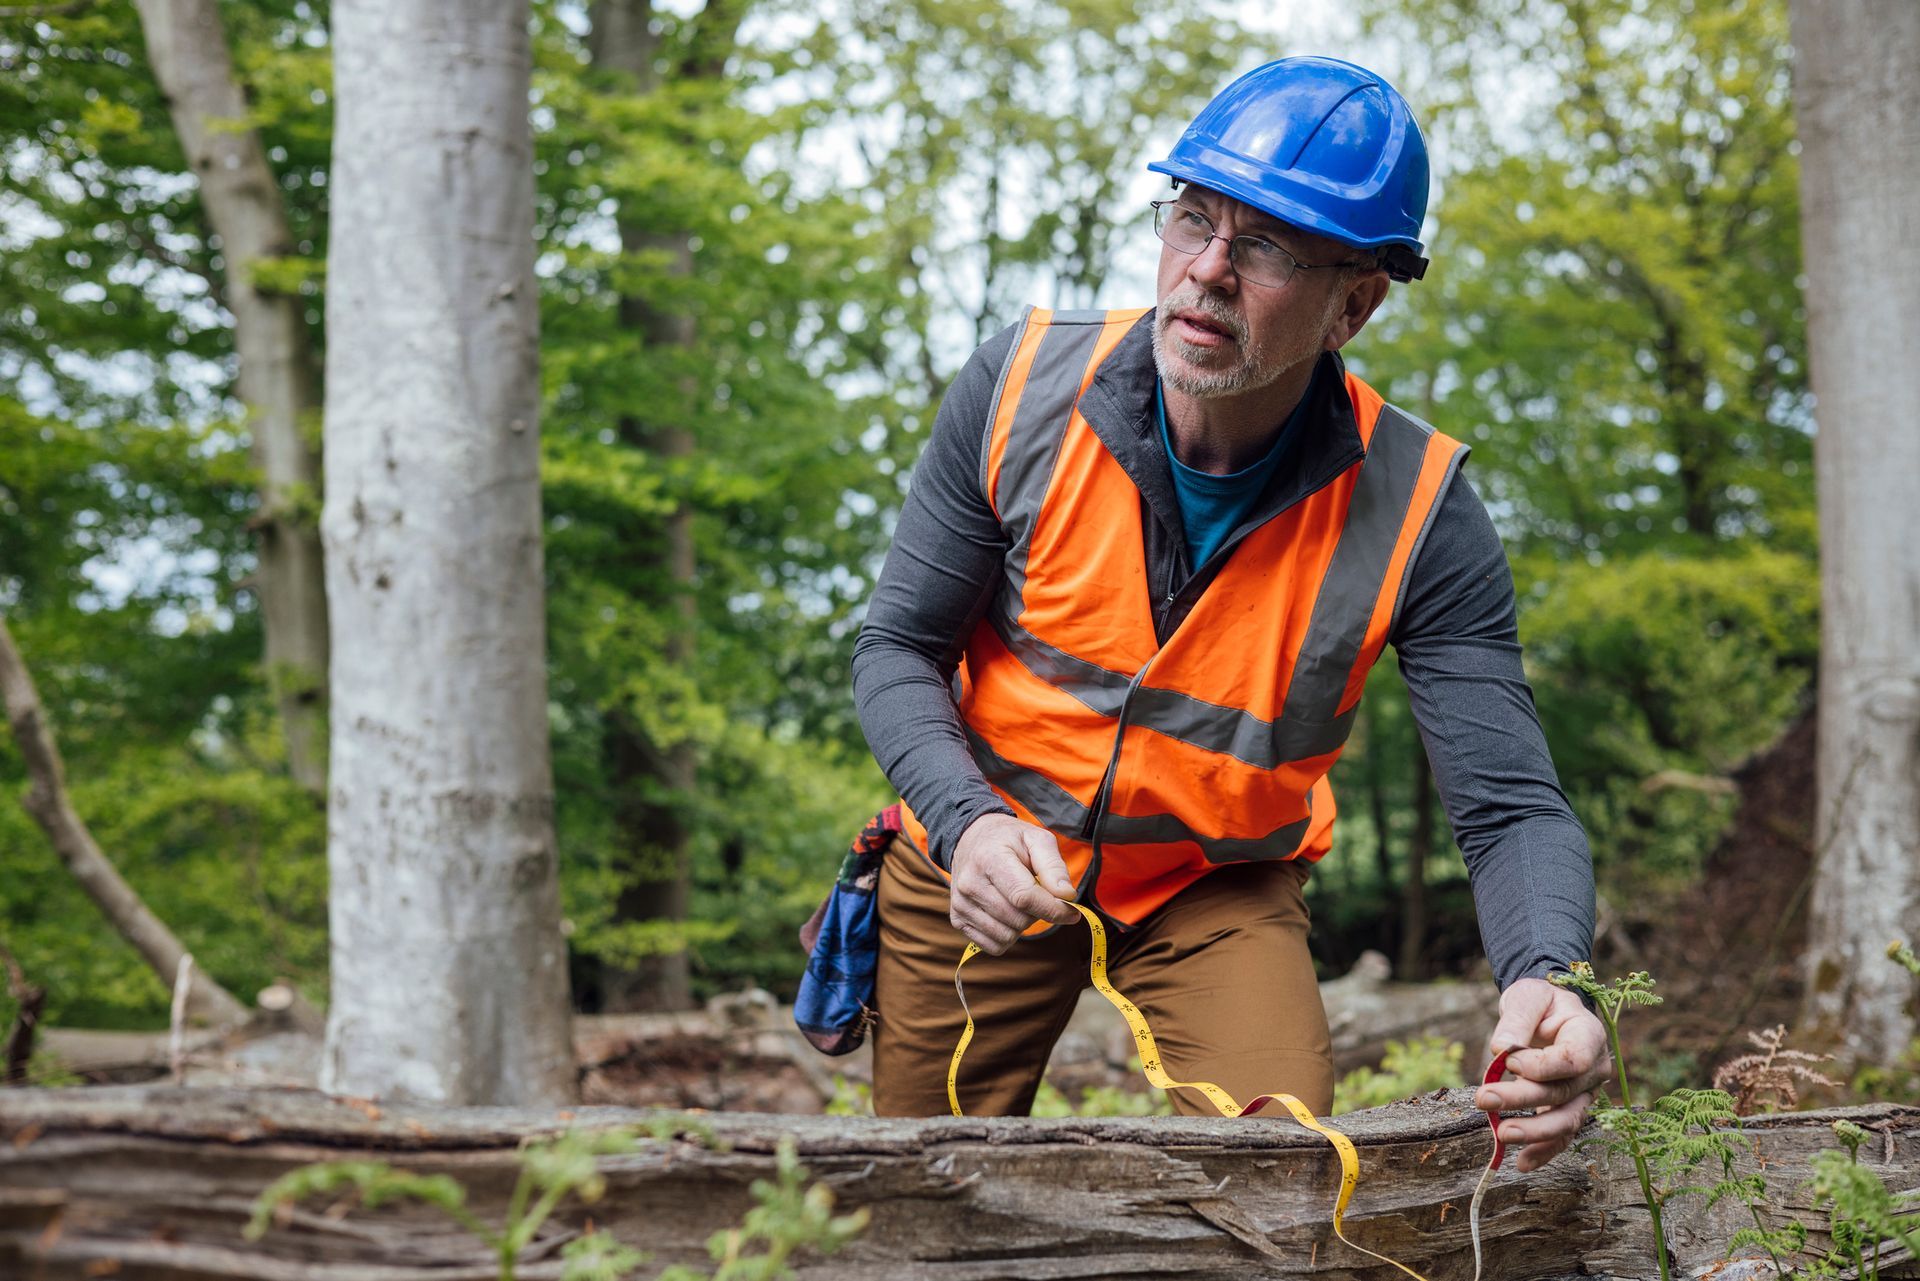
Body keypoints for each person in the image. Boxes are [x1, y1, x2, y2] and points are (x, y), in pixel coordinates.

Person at [848, 55, 1608, 1172]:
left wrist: (1552, 974)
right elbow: (896, 648)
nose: (1204, 271)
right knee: (914, 1184)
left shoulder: (1424, 512)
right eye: (1192, 218)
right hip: (983, 851)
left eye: (1263, 248)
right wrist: (964, 821)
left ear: (1354, 302)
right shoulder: (1018, 387)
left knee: (1290, 1179)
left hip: (1214, 883)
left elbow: (1510, 810)